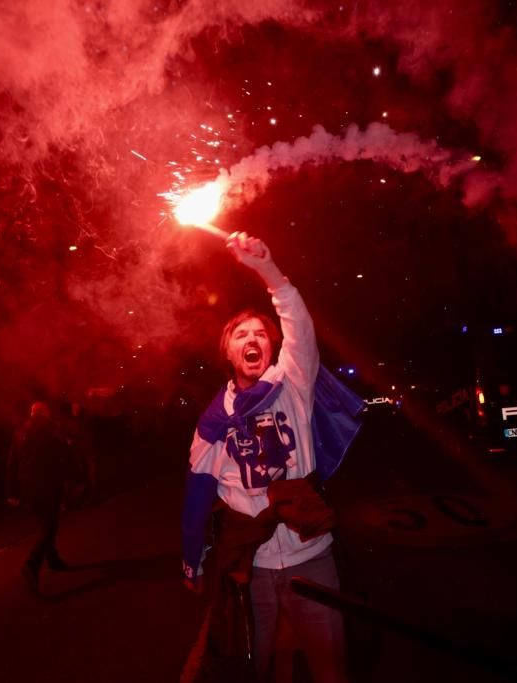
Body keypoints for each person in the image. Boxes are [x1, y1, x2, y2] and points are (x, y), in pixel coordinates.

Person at [181, 232, 364, 682]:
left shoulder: (292, 385)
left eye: (261, 334)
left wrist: (268, 271)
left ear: (272, 347)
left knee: (330, 672)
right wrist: (193, 558)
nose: (252, 339)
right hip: (253, 569)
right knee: (250, 672)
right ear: (227, 352)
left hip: (312, 558)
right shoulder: (212, 424)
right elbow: (198, 493)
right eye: (241, 334)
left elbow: (300, 328)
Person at [7, 401, 71, 595]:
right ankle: (32, 565)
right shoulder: (50, 432)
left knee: (45, 525)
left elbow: (12, 463)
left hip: (29, 490)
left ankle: (53, 559)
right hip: (48, 487)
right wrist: (76, 477)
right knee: (50, 528)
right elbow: (64, 456)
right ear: (44, 415)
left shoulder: (20, 433)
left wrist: (12, 491)